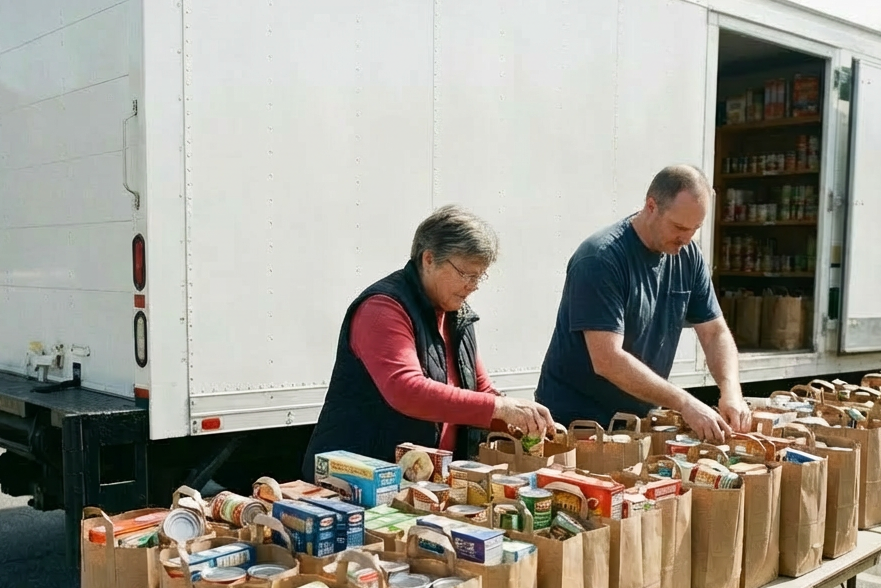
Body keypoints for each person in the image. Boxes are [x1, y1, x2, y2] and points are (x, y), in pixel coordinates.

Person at [302, 205, 557, 478]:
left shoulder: (457, 314)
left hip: (418, 478)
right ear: (428, 259)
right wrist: (499, 408)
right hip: (356, 476)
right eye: (465, 273)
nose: (473, 285)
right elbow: (406, 389)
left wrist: (524, 418)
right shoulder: (382, 308)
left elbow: (480, 389)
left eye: (479, 275)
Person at [536, 165, 752, 441]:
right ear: (651, 206)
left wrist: (731, 390)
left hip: (636, 423)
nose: (686, 239)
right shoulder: (600, 258)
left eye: (695, 229)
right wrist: (685, 402)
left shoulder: (688, 256)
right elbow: (607, 359)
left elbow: (714, 333)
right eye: (679, 227)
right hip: (577, 425)